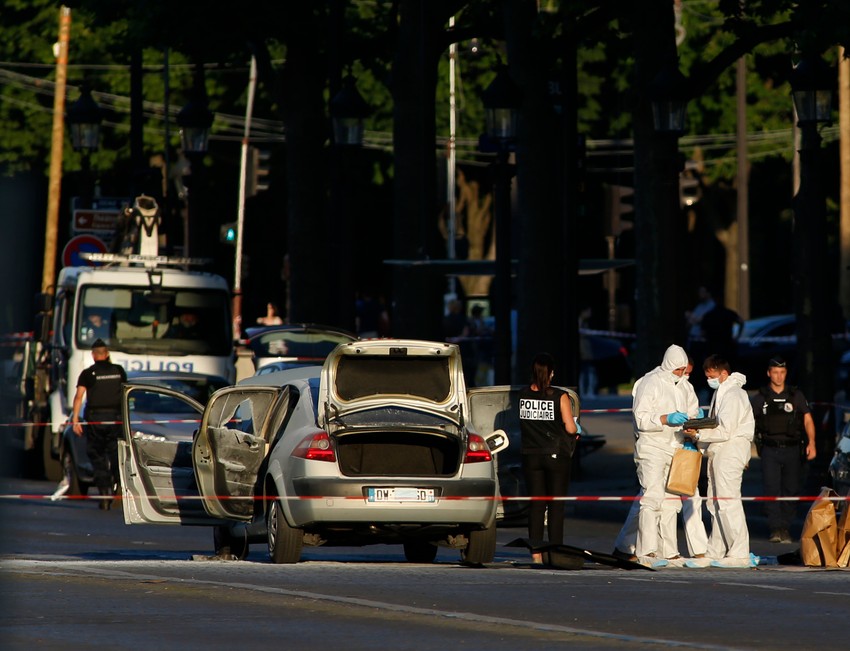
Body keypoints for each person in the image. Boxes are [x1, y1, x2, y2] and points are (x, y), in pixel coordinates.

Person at [612, 355, 708, 562]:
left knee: (671, 502)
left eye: (684, 370)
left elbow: (691, 412)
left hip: (676, 446)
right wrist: (665, 418)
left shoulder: (684, 387)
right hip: (652, 447)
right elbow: (641, 418)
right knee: (651, 498)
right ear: (669, 365)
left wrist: (694, 422)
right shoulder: (650, 383)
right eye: (678, 370)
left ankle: (665, 551)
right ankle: (646, 551)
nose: (682, 374)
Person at [685, 354, 755, 566]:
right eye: (706, 375)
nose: (709, 379)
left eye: (712, 375)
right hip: (719, 451)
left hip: (730, 451)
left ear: (724, 373)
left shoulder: (733, 394)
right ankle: (716, 550)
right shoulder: (721, 392)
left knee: (728, 501)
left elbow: (725, 430)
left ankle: (740, 552)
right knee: (715, 502)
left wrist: (698, 435)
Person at [518, 353, 580, 563]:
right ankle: (555, 551)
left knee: (536, 505)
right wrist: (576, 428)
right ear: (551, 373)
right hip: (556, 455)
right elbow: (570, 427)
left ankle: (536, 553)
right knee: (555, 505)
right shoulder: (559, 396)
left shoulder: (523, 395)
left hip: (531, 455)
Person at [750, 356, 816, 544]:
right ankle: (775, 528)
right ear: (769, 373)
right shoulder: (760, 397)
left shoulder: (795, 395)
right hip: (770, 449)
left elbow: (808, 419)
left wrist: (812, 442)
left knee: (791, 489)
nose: (779, 377)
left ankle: (785, 527)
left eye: (782, 372)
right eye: (775, 372)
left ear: (786, 373)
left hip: (792, 448)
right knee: (771, 488)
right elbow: (748, 423)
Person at [71, 339, 127, 510]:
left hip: (96, 420)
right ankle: (119, 488)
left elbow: (79, 397)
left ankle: (104, 494)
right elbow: (125, 394)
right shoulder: (119, 371)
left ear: (93, 355)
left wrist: (75, 420)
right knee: (117, 455)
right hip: (116, 419)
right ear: (107, 353)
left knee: (97, 457)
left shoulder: (88, 373)